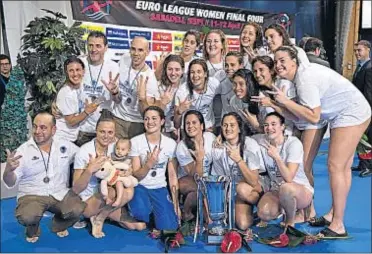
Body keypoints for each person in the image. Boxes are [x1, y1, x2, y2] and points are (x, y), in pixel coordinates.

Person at [272, 46, 371, 238]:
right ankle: (334, 215)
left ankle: (338, 225)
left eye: (282, 60)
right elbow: (301, 116)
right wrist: (276, 104)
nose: (278, 65)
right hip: (345, 112)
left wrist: (284, 101)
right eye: (276, 61)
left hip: (351, 112)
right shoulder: (301, 77)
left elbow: (313, 116)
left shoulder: (304, 80)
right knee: (343, 167)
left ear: (294, 61)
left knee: (335, 166)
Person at [2, 112, 85, 243]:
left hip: (60, 193)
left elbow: (83, 155)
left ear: (54, 130)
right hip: (32, 194)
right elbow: (10, 182)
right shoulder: (23, 151)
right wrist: (8, 171)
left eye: (43, 127)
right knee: (28, 216)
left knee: (78, 208)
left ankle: (58, 224)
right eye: (35, 127)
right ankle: (33, 228)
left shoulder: (65, 145)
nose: (37, 131)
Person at [72, 112, 145, 238]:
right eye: (102, 132)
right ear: (96, 131)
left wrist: (128, 171)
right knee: (111, 192)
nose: (106, 136)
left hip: (109, 198)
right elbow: (76, 188)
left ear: (115, 133)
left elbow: (126, 164)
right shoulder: (84, 151)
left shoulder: (115, 146)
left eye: (110, 132)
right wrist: (89, 170)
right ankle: (97, 218)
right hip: (88, 201)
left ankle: (101, 216)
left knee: (137, 225)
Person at [254, 112, 313, 227]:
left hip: (299, 190)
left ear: (282, 127)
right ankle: (283, 208)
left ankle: (290, 222)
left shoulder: (293, 143)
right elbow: (241, 138)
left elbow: (289, 178)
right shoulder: (262, 141)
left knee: (286, 188)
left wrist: (277, 157)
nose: (269, 128)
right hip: (276, 190)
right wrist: (221, 138)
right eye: (266, 125)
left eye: (273, 124)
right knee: (264, 213)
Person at [211, 112, 265, 230]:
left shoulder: (250, 145)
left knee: (241, 188)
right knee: (242, 224)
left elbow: (254, 181)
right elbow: (219, 179)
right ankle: (248, 213)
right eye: (225, 125)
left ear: (239, 129)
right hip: (232, 192)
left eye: (232, 125)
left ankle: (261, 209)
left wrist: (239, 160)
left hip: (251, 189)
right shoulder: (218, 149)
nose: (228, 128)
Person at [129, 106, 179, 230]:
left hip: (160, 188)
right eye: (146, 119)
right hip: (141, 186)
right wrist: (149, 164)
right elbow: (136, 175)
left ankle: (157, 213)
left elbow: (172, 176)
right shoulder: (135, 142)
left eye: (154, 118)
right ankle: (142, 211)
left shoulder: (170, 144)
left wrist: (176, 205)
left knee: (170, 227)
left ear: (162, 121)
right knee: (141, 213)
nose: (150, 122)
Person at [76, 31, 120, 146]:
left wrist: (115, 92)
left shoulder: (113, 67)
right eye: (90, 45)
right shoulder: (79, 62)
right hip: (81, 128)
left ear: (106, 48)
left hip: (103, 129)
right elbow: (68, 85)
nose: (93, 49)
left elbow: (118, 101)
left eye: (98, 46)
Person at [113, 36, 159, 139]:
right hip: (117, 118)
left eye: (140, 50)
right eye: (133, 49)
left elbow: (147, 114)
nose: (136, 53)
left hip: (136, 124)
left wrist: (142, 99)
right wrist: (115, 92)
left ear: (147, 52)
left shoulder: (150, 78)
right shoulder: (124, 59)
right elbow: (117, 99)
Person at [176, 110, 216, 221]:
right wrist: (199, 160)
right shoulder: (182, 147)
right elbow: (195, 176)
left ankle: (188, 212)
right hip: (188, 181)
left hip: (207, 179)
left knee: (198, 193)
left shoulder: (210, 137)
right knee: (201, 187)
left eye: (194, 123)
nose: (190, 126)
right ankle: (208, 220)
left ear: (202, 126)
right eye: (187, 123)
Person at [54, 57, 98, 142]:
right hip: (62, 139)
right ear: (66, 73)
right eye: (71, 71)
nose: (75, 74)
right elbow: (71, 121)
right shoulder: (66, 93)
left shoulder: (80, 86)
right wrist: (87, 111)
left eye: (78, 70)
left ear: (83, 71)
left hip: (73, 137)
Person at [251, 55, 296, 136]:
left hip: (292, 134)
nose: (257, 75)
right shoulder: (260, 92)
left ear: (271, 71)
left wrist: (271, 103)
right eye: (255, 71)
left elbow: (294, 117)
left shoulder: (284, 85)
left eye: (261, 70)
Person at [174, 59, 221, 132]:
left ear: (205, 74)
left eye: (199, 72)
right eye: (192, 72)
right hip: (189, 130)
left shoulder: (214, 84)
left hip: (209, 129)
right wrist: (179, 111)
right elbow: (176, 125)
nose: (195, 75)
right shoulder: (182, 91)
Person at [352, 40, 372, 177]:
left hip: (366, 110)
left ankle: (368, 166)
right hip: (359, 109)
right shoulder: (360, 67)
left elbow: (369, 93)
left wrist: (366, 112)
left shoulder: (369, 68)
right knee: (360, 138)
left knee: (366, 139)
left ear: (368, 50)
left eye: (360, 50)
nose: (357, 53)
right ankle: (362, 164)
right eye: (356, 51)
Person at [154, 54, 185, 140]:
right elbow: (153, 115)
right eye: (170, 69)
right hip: (163, 132)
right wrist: (162, 103)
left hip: (183, 132)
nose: (173, 73)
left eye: (177, 69)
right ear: (165, 69)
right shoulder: (158, 87)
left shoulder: (186, 87)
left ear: (183, 70)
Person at [203, 29, 227, 134]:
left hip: (227, 122)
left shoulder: (229, 65)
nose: (212, 44)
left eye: (216, 41)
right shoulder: (200, 67)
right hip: (208, 123)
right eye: (208, 41)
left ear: (222, 45)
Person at [228, 69, 261, 135]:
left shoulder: (261, 100)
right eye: (234, 84)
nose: (237, 88)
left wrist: (256, 125)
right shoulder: (233, 101)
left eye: (241, 84)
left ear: (249, 84)